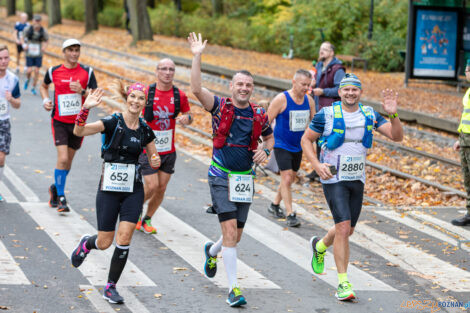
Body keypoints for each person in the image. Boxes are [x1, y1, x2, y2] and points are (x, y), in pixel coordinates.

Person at [189, 32, 274, 307]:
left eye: (248, 85)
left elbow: (270, 138)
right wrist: (197, 55)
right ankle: (234, 289)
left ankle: (211, 252)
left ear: (252, 88)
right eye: (239, 83)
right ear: (232, 86)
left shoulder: (259, 114)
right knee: (229, 234)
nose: (244, 88)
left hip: (244, 180)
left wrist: (267, 150)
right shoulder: (219, 106)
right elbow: (196, 89)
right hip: (220, 176)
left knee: (234, 235)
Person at [301, 74, 403, 301]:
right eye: (346, 90)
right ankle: (343, 283)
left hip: (357, 179)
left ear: (360, 93)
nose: (350, 93)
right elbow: (306, 140)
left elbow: (397, 137)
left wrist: (393, 113)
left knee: (347, 230)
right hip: (333, 178)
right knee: (344, 228)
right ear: (340, 92)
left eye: (354, 90)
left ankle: (319, 246)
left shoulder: (369, 114)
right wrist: (316, 165)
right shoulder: (326, 115)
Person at [70, 84, 160, 304]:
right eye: (133, 97)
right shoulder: (113, 122)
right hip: (109, 189)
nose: (136, 101)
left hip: (133, 189)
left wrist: (155, 161)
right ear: (126, 98)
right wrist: (86, 108)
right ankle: (86, 244)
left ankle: (110, 287)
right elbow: (78, 131)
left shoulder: (145, 130)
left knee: (125, 237)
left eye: (141, 98)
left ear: (144, 103)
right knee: (104, 242)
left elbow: (153, 156)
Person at [40, 39, 98, 212]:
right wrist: (45, 100)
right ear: (64, 52)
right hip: (59, 121)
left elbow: (94, 95)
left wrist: (81, 91)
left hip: (78, 124)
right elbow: (44, 86)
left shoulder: (87, 72)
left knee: (68, 162)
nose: (74, 54)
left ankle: (55, 188)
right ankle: (62, 197)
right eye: (71, 50)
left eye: (77, 50)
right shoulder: (54, 71)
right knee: (63, 158)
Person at [136, 58, 192, 234]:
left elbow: (189, 115)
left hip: (168, 150)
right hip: (149, 148)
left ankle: (147, 218)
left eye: (171, 69)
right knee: (151, 186)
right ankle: (134, 210)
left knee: (161, 188)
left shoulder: (179, 95)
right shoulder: (146, 92)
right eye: (164, 69)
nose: (168, 72)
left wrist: (186, 119)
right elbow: (132, 112)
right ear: (157, 71)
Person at [267, 69, 315, 226]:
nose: (306, 88)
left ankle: (274, 205)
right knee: (287, 177)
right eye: (303, 84)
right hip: (281, 143)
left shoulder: (309, 100)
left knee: (290, 178)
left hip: (298, 145)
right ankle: (290, 213)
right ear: (294, 82)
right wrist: (265, 141)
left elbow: (315, 122)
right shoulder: (282, 99)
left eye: (308, 85)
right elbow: (266, 121)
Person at [307, 42, 346, 182]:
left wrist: (323, 91)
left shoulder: (337, 69)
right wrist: (312, 85)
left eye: (325, 49)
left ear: (332, 53)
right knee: (318, 140)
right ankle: (319, 169)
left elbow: (341, 89)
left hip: (331, 110)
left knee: (329, 142)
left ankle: (330, 171)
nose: (321, 52)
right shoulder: (318, 66)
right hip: (318, 108)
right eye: (320, 49)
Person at [0, 45, 21, 202]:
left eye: (6, 58)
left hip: (4, 122)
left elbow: (18, 104)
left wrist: (11, 99)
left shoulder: (13, 79)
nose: (3, 61)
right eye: (0, 59)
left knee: (1, 158)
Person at [452, 59, 470, 226]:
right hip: (466, 141)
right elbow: (466, 117)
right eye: (466, 69)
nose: (467, 73)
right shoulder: (468, 92)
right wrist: (461, 139)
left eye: (468, 69)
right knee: (468, 180)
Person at [22, 14, 48, 95]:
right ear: (33, 21)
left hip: (38, 53)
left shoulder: (43, 31)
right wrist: (24, 45)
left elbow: (46, 40)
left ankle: (33, 87)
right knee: (29, 70)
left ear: (40, 22)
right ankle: (27, 79)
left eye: (38, 20)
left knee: (37, 71)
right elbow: (22, 38)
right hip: (29, 53)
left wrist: (44, 47)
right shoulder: (27, 29)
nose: (37, 22)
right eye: (35, 20)